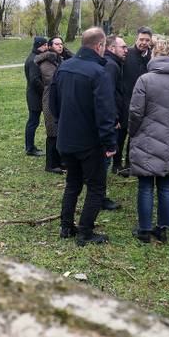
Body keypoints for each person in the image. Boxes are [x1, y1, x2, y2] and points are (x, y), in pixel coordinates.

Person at [50, 27, 117, 246]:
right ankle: (84, 232)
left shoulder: (64, 67)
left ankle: (65, 226)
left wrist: (64, 124)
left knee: (73, 184)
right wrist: (110, 143)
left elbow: (54, 105)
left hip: (67, 139)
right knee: (96, 187)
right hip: (89, 142)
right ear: (100, 46)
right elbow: (105, 113)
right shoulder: (99, 73)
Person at [128, 39, 169, 243]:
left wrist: (133, 132)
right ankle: (163, 227)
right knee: (166, 185)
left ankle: (144, 230)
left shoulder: (145, 80)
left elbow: (135, 112)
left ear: (156, 54)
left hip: (146, 136)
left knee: (146, 186)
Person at [117, 27, 153, 175]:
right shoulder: (127, 54)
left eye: (147, 40)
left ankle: (130, 162)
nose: (143, 43)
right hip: (126, 101)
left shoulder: (152, 56)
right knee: (121, 134)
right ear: (136, 39)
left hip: (144, 102)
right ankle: (117, 163)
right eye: (141, 39)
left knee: (136, 135)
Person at [102, 36, 126, 210]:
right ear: (111, 48)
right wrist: (115, 118)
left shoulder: (114, 63)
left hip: (111, 117)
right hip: (111, 120)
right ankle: (100, 196)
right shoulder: (110, 65)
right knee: (106, 157)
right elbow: (108, 94)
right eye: (123, 47)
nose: (126, 50)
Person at [35, 38, 64, 174]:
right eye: (57, 44)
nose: (60, 46)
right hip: (50, 100)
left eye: (62, 44)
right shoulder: (46, 61)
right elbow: (52, 80)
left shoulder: (58, 59)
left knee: (59, 132)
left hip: (59, 99)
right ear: (50, 46)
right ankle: (50, 165)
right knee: (52, 133)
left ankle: (59, 161)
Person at [24, 37, 48, 157]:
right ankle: (30, 148)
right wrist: (45, 90)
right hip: (35, 97)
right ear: (40, 46)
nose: (47, 47)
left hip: (34, 95)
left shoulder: (34, 56)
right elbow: (34, 80)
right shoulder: (34, 60)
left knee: (33, 122)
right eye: (45, 45)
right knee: (33, 122)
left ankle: (30, 147)